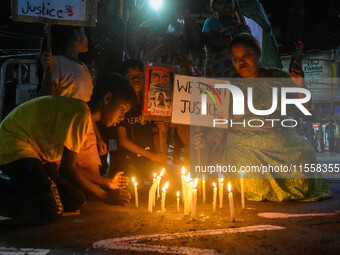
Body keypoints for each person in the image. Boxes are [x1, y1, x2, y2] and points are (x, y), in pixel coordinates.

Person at [0, 73, 137, 224]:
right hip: (15, 145)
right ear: (108, 98)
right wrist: (104, 196)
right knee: (51, 211)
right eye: (122, 110)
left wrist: (107, 182)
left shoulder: (81, 115)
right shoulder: (81, 114)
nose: (122, 117)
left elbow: (68, 166)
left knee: (74, 199)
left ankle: (22, 188)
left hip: (37, 155)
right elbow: (67, 169)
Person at [223, 33, 331, 202]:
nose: (241, 62)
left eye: (246, 56)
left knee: (303, 166)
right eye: (236, 59)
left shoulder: (278, 78)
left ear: (258, 53)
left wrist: (300, 84)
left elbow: (304, 108)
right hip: (245, 145)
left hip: (282, 141)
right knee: (250, 178)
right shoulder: (228, 86)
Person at [39, 25, 108, 157]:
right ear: (76, 34)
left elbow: (86, 109)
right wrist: (48, 70)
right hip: (65, 135)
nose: (87, 39)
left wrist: (98, 138)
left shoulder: (84, 68)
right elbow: (46, 99)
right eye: (84, 33)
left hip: (86, 134)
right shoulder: (56, 63)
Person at [114, 60, 167, 181]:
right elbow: (122, 141)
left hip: (150, 159)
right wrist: (152, 156)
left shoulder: (153, 103)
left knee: (164, 185)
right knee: (130, 189)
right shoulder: (123, 105)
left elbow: (157, 130)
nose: (136, 79)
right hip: (128, 159)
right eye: (130, 76)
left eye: (139, 75)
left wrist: (162, 128)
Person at [202, 0, 250, 78]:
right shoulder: (211, 22)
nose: (226, 5)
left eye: (229, 2)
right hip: (216, 75)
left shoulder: (238, 26)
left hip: (235, 76)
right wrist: (241, 35)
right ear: (214, 6)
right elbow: (217, 41)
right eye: (221, 3)